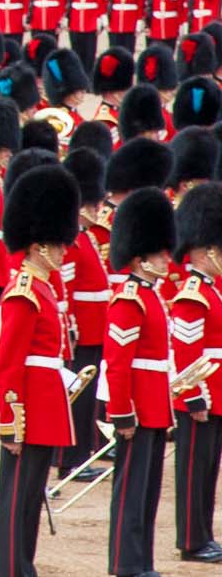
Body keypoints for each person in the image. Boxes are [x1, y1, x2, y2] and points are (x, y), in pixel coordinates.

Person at [0, 163, 82, 577]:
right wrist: (11, 421)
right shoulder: (23, 292)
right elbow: (8, 364)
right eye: (58, 245)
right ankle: (12, 567)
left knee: (31, 494)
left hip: (45, 402)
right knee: (18, 495)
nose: (64, 251)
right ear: (37, 246)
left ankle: (21, 564)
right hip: (28, 407)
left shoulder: (43, 287)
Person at [105, 185, 176, 577]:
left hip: (153, 406)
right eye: (158, 252)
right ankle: (126, 562)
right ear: (139, 256)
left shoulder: (150, 296)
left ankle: (141, 560)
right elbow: (118, 363)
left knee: (147, 494)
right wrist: (121, 412)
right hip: (135, 407)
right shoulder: (130, 298)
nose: (166, 259)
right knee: (131, 491)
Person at [172, 181, 222, 564]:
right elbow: (186, 349)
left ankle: (203, 533)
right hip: (201, 391)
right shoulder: (193, 292)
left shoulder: (211, 289)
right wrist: (193, 396)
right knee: (193, 471)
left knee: (207, 472)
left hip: (215, 391)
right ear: (206, 252)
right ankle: (191, 539)